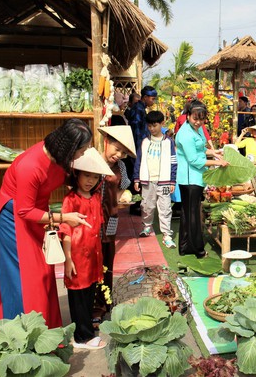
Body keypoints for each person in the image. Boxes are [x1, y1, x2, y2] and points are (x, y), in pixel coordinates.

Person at [0, 118, 92, 328]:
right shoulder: (30, 166)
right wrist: (64, 218)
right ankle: (20, 331)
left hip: (37, 214)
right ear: (69, 148)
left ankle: (44, 328)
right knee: (27, 277)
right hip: (13, 221)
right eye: (82, 150)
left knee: (44, 271)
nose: (82, 154)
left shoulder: (59, 159)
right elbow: (24, 211)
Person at [60, 147, 113, 350]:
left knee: (89, 293)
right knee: (78, 297)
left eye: (94, 176)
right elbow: (65, 231)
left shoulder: (96, 198)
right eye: (86, 175)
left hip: (93, 256)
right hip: (77, 256)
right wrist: (68, 259)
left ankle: (85, 327)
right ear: (77, 175)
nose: (90, 180)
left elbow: (97, 226)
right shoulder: (71, 199)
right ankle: (82, 337)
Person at [92, 125, 135, 325]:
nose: (118, 155)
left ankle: (102, 305)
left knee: (107, 261)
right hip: (89, 221)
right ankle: (89, 305)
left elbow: (122, 188)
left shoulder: (121, 168)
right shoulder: (90, 161)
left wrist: (122, 199)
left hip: (110, 219)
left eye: (123, 152)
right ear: (106, 141)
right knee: (90, 262)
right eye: (116, 149)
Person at [175, 100, 228, 258]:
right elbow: (194, 160)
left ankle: (184, 247)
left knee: (187, 213)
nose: (198, 122)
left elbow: (200, 149)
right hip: (191, 179)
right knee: (193, 216)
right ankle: (198, 250)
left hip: (195, 177)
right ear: (188, 115)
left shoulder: (194, 129)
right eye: (195, 118)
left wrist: (214, 152)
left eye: (202, 119)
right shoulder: (185, 133)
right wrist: (218, 162)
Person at [133, 110, 178, 248]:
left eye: (155, 125)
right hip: (147, 180)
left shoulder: (168, 142)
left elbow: (173, 161)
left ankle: (166, 234)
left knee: (165, 208)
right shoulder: (144, 142)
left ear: (162, 124)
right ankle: (147, 226)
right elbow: (138, 160)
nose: (152, 128)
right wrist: (136, 178)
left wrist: (172, 181)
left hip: (164, 181)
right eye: (150, 126)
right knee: (147, 205)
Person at [129, 86, 157, 214]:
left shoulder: (141, 109)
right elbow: (136, 132)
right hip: (137, 148)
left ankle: (138, 204)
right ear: (145, 97)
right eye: (152, 99)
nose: (153, 101)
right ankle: (135, 205)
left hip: (139, 147)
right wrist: (140, 149)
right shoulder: (138, 109)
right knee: (137, 176)